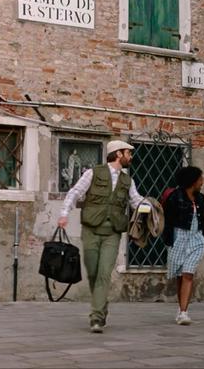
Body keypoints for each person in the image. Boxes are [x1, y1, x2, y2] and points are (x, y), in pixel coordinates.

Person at [58, 140, 145, 333]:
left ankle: (96, 318)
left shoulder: (127, 180)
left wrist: (151, 206)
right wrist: (64, 214)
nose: (131, 157)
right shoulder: (92, 173)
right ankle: (101, 306)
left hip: (112, 233)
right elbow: (75, 192)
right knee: (92, 273)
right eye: (128, 153)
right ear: (118, 154)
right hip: (91, 230)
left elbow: (135, 201)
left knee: (104, 274)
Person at [162, 166, 204, 325]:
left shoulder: (201, 198)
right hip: (178, 238)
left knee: (188, 273)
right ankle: (181, 307)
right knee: (180, 276)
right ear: (192, 181)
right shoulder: (175, 197)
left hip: (197, 239)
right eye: (200, 179)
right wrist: (168, 240)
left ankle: (184, 312)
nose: (202, 183)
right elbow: (167, 220)